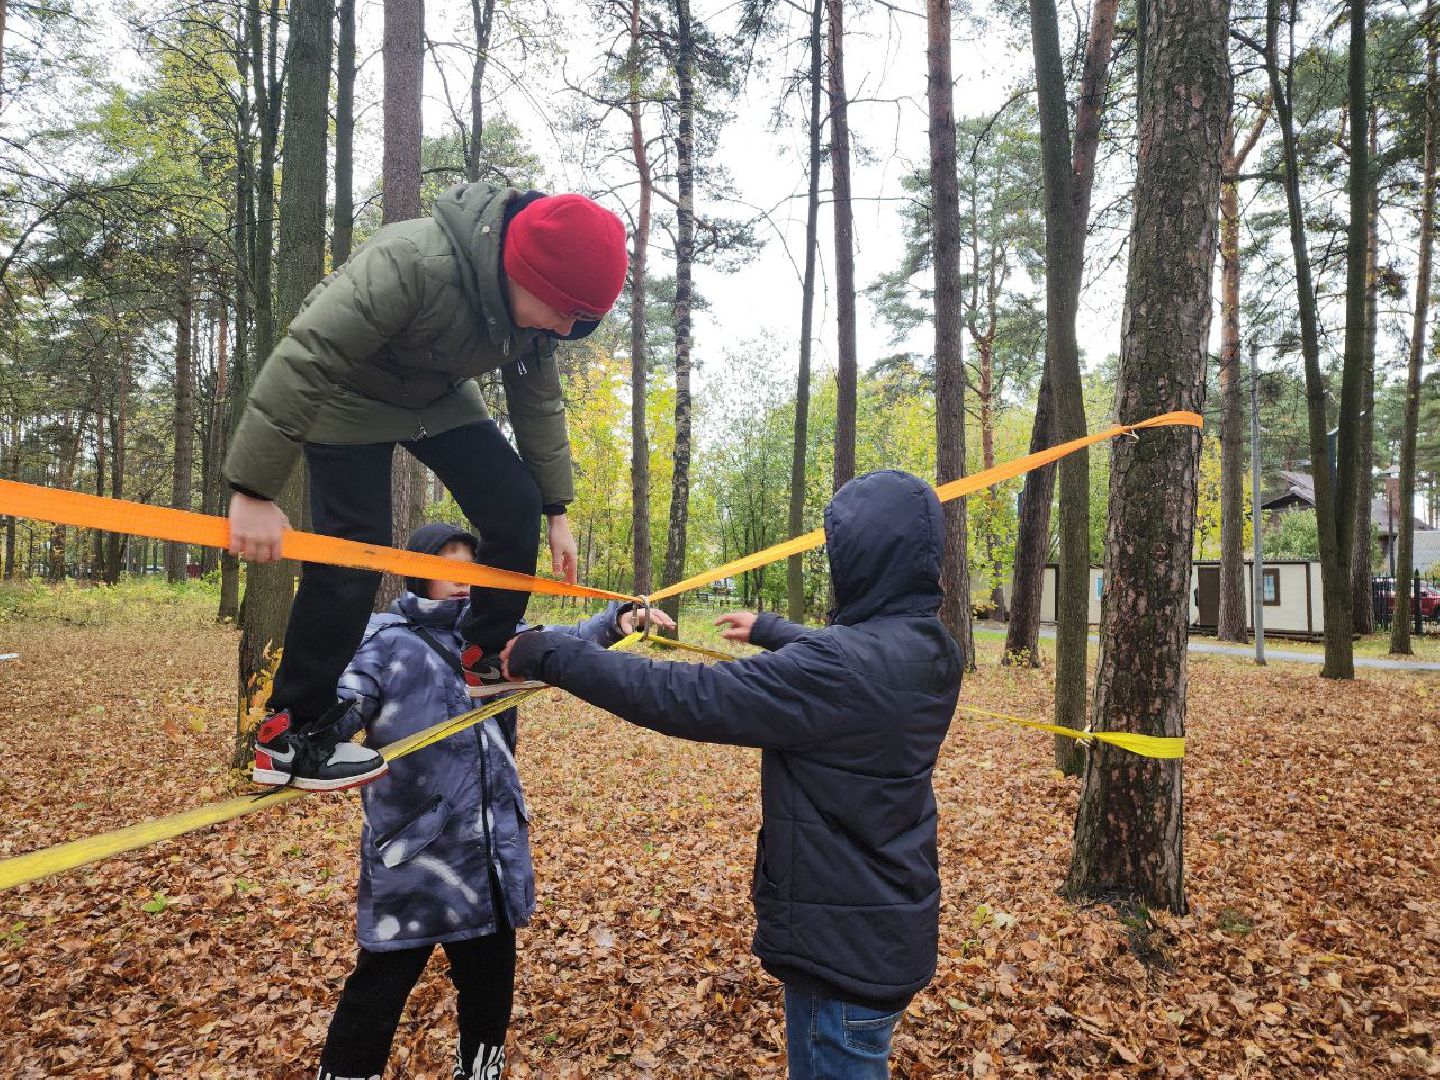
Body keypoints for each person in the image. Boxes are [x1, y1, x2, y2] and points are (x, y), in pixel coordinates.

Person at [500, 470, 964, 1079]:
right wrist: (773, 631)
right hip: (884, 922)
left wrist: (548, 653)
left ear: (861, 557)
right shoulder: (934, 649)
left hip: (842, 948)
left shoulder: (838, 669)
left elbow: (686, 695)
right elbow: (857, 663)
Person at [226, 182, 629, 791]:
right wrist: (254, 489)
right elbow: (309, 355)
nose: (567, 329)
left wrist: (555, 508)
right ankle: (290, 733)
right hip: (348, 397)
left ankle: (482, 653)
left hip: (436, 398)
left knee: (512, 504)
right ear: (522, 273)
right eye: (565, 312)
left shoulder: (537, 326)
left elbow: (540, 407)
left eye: (581, 321)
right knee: (354, 556)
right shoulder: (411, 261)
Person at [316, 522, 672, 1080]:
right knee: (377, 992)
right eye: (447, 567)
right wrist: (316, 733)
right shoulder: (383, 641)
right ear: (419, 572)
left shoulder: (497, 639)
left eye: (471, 569)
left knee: (489, 995)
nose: (462, 581)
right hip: (416, 859)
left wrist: (618, 621)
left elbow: (563, 644)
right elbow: (345, 703)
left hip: (490, 859)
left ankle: (478, 1072)